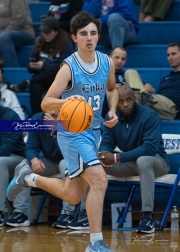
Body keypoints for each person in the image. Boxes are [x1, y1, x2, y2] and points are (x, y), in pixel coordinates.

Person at [7, 11, 118, 252]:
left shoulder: (107, 62)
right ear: (75, 38)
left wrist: (113, 110)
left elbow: (111, 89)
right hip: (72, 134)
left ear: (98, 36)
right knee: (99, 180)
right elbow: (46, 102)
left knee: (73, 195)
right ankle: (96, 244)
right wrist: (67, 103)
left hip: (94, 133)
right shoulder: (68, 67)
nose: (89, 38)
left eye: (93, 33)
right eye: (83, 34)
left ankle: (28, 178)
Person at [99, 84, 170, 234]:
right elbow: (106, 141)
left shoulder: (149, 116)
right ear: (115, 102)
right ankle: (82, 214)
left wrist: (117, 157)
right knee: (94, 164)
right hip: (132, 163)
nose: (125, 104)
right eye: (121, 101)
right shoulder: (112, 117)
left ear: (135, 98)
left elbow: (149, 149)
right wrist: (103, 155)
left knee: (143, 160)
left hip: (157, 162)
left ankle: (147, 218)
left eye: (129, 99)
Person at [5, 110, 79, 227]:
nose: (52, 111)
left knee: (65, 164)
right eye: (49, 107)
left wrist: (56, 129)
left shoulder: (71, 119)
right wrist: (34, 159)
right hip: (49, 161)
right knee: (24, 165)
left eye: (55, 107)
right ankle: (21, 213)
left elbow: (70, 151)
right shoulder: (38, 119)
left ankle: (67, 214)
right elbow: (30, 146)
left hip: (68, 159)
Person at [9, 16, 74, 114]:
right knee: (35, 87)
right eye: (43, 32)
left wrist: (44, 65)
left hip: (59, 80)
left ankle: (29, 82)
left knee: (60, 67)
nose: (45, 35)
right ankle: (38, 119)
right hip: (41, 79)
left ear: (56, 31)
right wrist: (31, 66)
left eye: (48, 32)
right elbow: (30, 67)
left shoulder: (66, 42)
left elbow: (67, 67)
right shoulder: (39, 40)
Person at [128, 42, 180, 120]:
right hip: (154, 106)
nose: (170, 57)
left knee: (131, 97)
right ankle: (139, 96)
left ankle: (138, 96)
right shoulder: (165, 79)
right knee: (130, 72)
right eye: (168, 55)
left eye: (173, 54)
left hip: (171, 108)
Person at [102, 46, 155, 118]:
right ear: (109, 57)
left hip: (131, 109)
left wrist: (130, 88)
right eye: (117, 57)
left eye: (123, 59)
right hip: (110, 110)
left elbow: (151, 89)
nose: (120, 61)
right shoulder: (102, 74)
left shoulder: (127, 76)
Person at [0, 102, 25, 226]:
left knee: (0, 162)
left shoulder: (10, 116)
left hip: (16, 157)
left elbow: (6, 148)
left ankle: (0, 212)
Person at [0, 0, 35, 67]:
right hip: (3, 34)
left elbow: (19, 19)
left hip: (23, 32)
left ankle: (12, 72)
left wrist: (4, 32)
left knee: (3, 37)